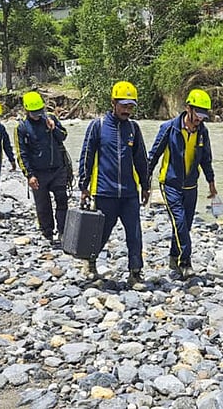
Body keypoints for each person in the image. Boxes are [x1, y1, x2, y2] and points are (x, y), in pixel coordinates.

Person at [78, 81, 151, 290]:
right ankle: (90, 263)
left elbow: (141, 159)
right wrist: (84, 186)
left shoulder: (134, 129)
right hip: (104, 191)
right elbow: (87, 156)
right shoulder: (98, 126)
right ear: (113, 103)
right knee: (100, 233)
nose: (127, 110)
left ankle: (135, 273)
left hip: (129, 193)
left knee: (134, 234)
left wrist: (145, 186)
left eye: (130, 106)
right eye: (123, 105)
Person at [147, 88, 218, 279]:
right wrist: (145, 183)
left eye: (204, 115)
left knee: (185, 225)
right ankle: (185, 262)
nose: (200, 118)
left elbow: (206, 160)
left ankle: (173, 256)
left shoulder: (203, 132)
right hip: (169, 184)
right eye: (198, 113)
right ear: (188, 108)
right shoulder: (169, 128)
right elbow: (153, 156)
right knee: (179, 222)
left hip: (191, 186)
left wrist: (211, 183)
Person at [15, 91, 69, 242]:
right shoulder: (22, 128)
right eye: (34, 112)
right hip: (38, 173)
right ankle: (47, 232)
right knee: (43, 205)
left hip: (58, 169)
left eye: (40, 111)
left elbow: (64, 136)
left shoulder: (50, 118)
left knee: (62, 199)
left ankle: (63, 230)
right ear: (26, 110)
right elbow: (21, 154)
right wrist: (29, 175)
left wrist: (54, 129)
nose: (38, 115)